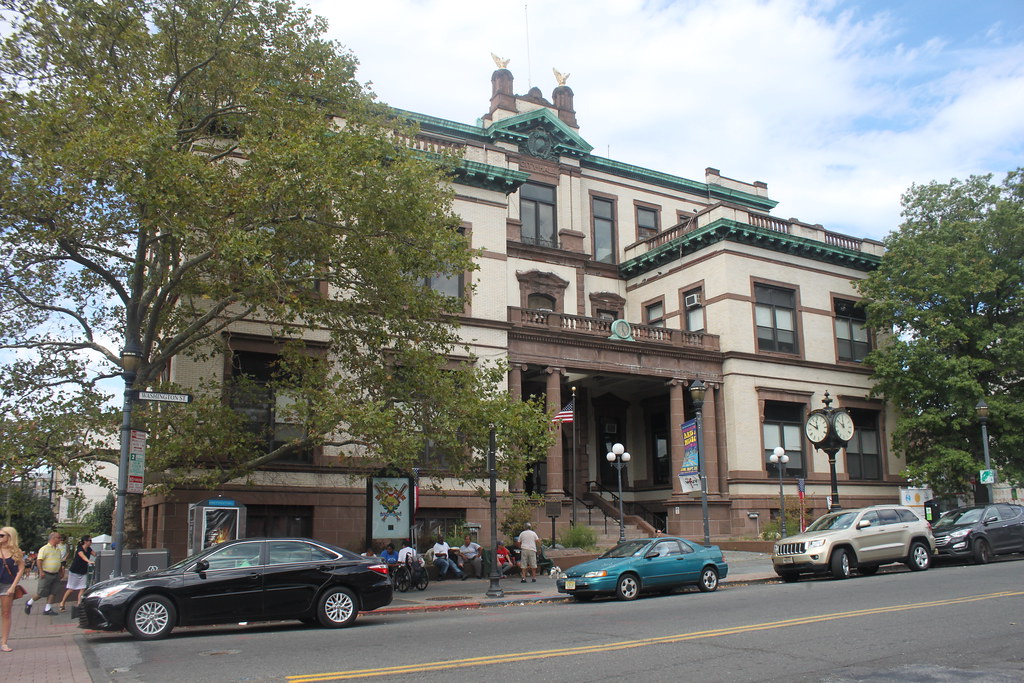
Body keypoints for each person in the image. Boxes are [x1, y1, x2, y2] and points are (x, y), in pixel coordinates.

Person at [1, 526, 26, 652]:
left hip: (7, 585)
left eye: (2, 535)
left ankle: (4, 642)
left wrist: (13, 586)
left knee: (6, 613)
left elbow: (21, 569)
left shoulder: (16, 551)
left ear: (9, 537)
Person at [25, 532, 63, 616]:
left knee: (53, 592)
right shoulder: (44, 548)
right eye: (58, 537)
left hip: (55, 574)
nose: (60, 539)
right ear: (53, 538)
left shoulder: (57, 549)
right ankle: (29, 602)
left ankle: (47, 609)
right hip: (46, 573)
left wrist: (61, 572)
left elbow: (59, 561)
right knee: (41, 592)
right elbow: (39, 560)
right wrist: (41, 571)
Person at [59, 536, 95, 612]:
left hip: (83, 571)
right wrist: (89, 561)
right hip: (75, 571)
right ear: (85, 541)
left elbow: (95, 554)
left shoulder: (89, 549)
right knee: (71, 589)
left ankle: (79, 604)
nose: (91, 542)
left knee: (82, 588)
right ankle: (62, 602)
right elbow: (83, 557)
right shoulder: (80, 549)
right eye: (90, 540)